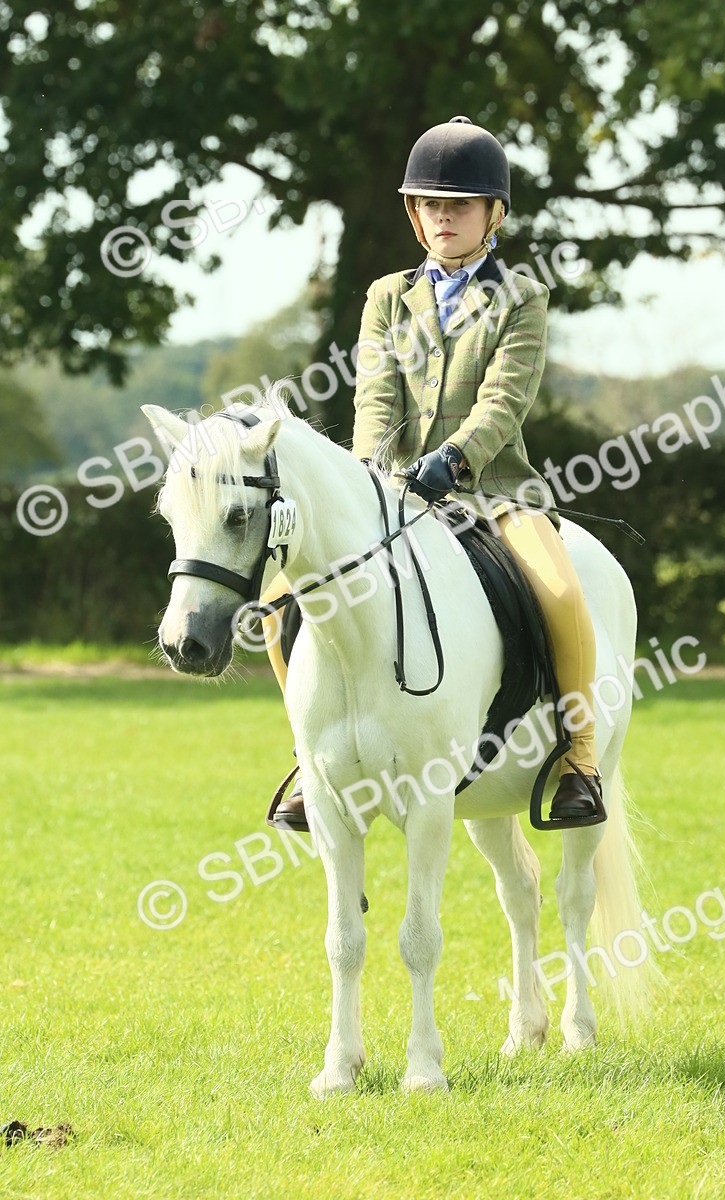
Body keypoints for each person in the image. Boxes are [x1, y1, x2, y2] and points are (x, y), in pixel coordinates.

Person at [267, 116, 602, 831]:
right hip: (391, 492)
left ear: (494, 215)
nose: (444, 215)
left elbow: (504, 402)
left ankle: (579, 756)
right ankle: (308, 754)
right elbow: (375, 396)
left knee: (560, 590)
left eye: (460, 204)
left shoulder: (522, 298)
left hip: (494, 492)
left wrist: (451, 462)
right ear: (415, 216)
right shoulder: (388, 298)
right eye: (430, 204)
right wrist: (362, 477)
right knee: (279, 602)